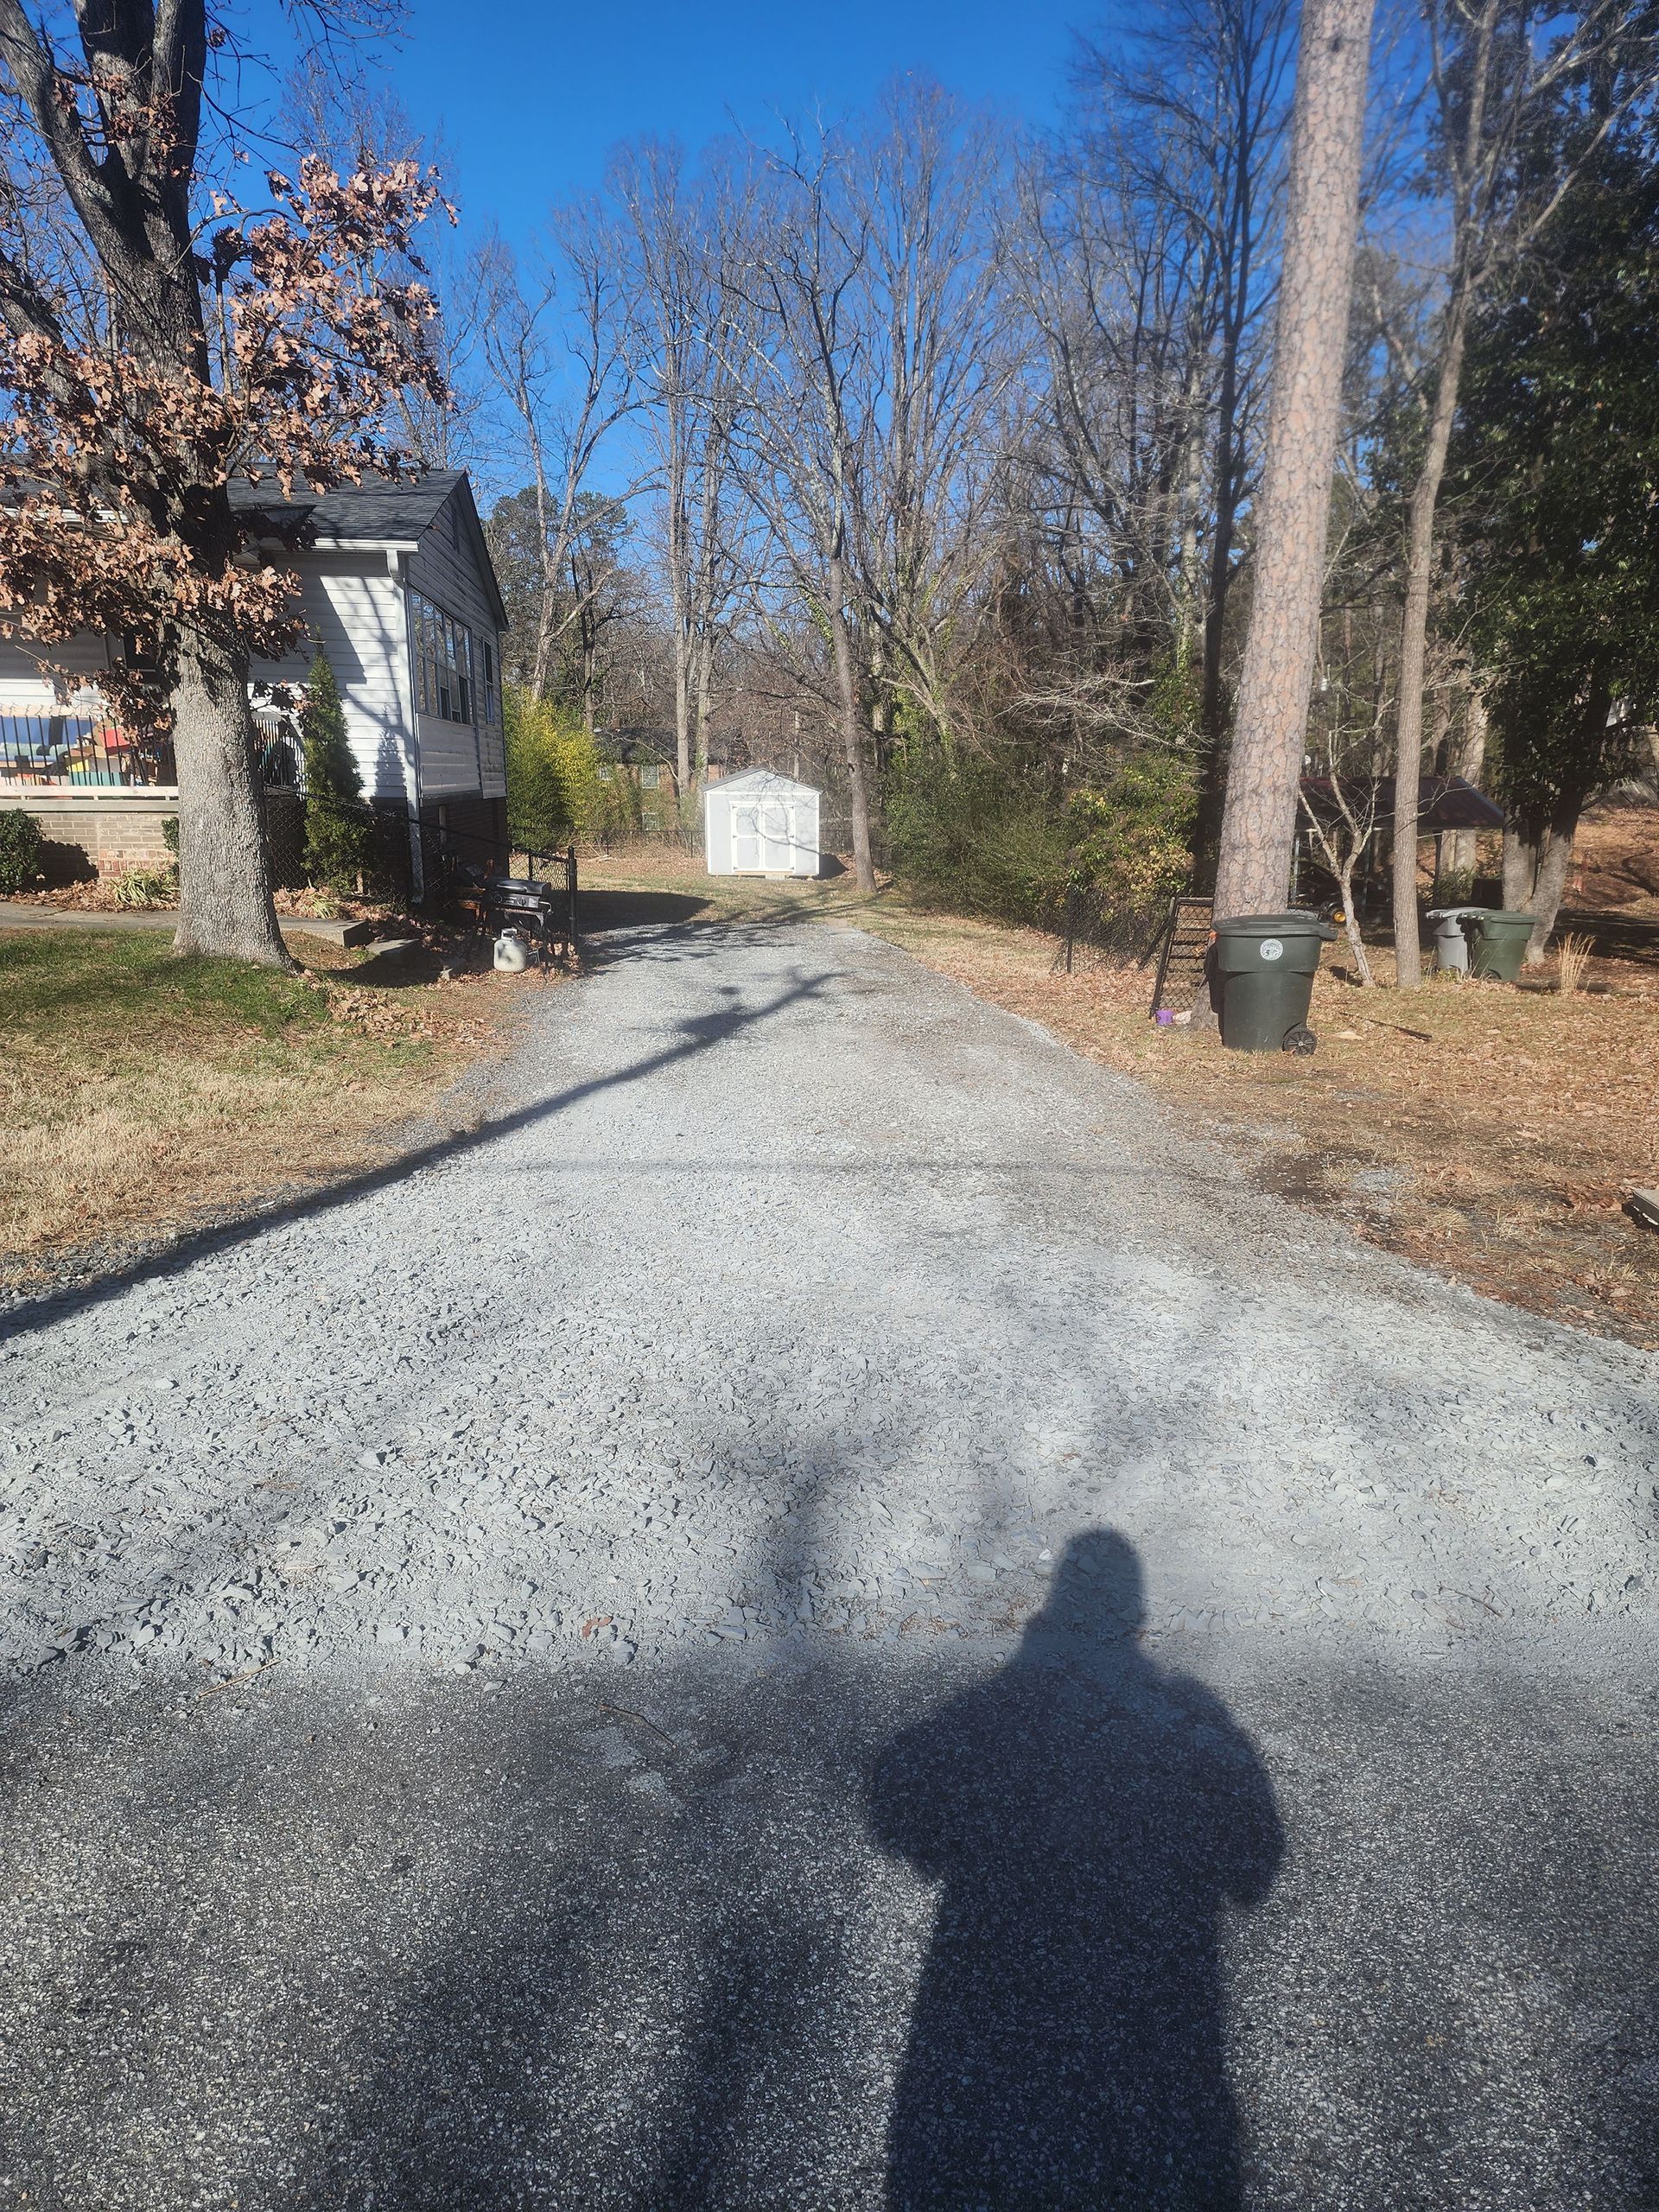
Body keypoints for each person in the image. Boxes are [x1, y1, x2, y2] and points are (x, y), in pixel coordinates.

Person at [868, 1529, 1282, 2209]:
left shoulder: (989, 1716)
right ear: (1137, 1622)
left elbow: (896, 1800)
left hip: (991, 2056)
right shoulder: (1186, 1717)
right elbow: (1253, 1865)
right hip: (1156, 2059)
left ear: (1049, 1619)